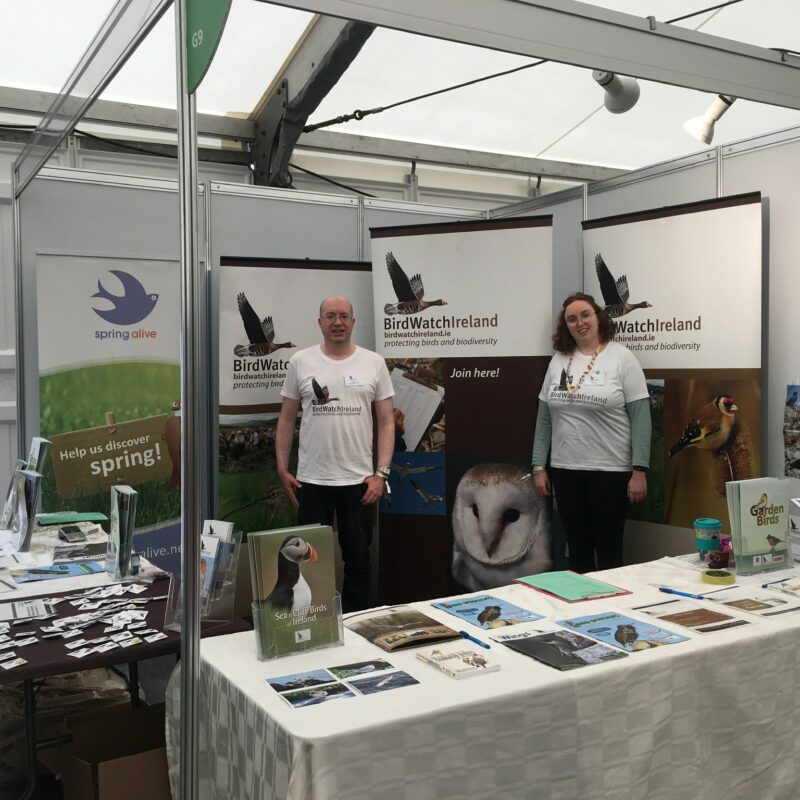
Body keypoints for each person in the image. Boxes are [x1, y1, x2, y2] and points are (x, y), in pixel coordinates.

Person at [276, 296, 395, 612]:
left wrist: (380, 474)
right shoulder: (300, 362)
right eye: (330, 315)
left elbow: (386, 422)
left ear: (353, 322)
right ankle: (312, 624)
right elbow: (287, 418)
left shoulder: (374, 363)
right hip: (312, 481)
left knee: (358, 560)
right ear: (320, 322)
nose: (337, 321)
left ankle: (355, 624)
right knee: (306, 563)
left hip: (359, 482)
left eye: (344, 316)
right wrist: (282, 468)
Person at [531, 292, 651, 572]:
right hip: (565, 470)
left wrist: (639, 470)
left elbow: (641, 418)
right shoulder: (558, 361)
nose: (579, 323)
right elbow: (544, 419)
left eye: (585, 315)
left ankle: (613, 612)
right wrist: (539, 466)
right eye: (572, 319)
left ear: (598, 317)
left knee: (610, 553)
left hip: (611, 472)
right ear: (566, 326)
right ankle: (581, 614)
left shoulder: (622, 359)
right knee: (578, 552)